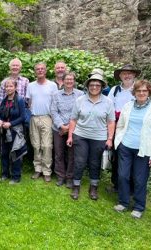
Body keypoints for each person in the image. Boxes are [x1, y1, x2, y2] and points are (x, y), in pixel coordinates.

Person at [113, 80, 151, 219]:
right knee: (123, 176)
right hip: (126, 147)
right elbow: (120, 125)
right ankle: (123, 202)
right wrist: (120, 140)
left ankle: (139, 206)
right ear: (134, 92)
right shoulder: (128, 106)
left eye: (144, 91)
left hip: (144, 150)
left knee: (139, 179)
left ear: (149, 93)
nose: (141, 93)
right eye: (139, 91)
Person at [66, 72, 115, 200]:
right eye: (92, 84)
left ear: (102, 86)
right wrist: (70, 136)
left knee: (94, 163)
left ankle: (93, 187)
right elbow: (73, 119)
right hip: (81, 135)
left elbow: (111, 122)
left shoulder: (108, 102)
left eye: (97, 84)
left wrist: (110, 139)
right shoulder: (80, 100)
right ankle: (76, 186)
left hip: (99, 137)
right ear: (88, 86)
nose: (94, 87)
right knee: (79, 162)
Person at [107, 64, 140, 193]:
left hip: (132, 129)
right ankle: (116, 185)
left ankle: (131, 188)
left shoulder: (139, 89)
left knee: (132, 158)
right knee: (116, 157)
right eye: (124, 73)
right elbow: (108, 108)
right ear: (120, 76)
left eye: (129, 73)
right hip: (116, 127)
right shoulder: (115, 90)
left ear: (134, 75)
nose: (127, 75)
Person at [50, 72, 84, 188]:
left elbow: (81, 112)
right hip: (58, 129)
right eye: (67, 79)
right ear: (63, 81)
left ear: (74, 81)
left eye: (71, 79)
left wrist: (69, 127)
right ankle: (60, 176)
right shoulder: (56, 95)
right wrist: (61, 126)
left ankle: (70, 177)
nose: (69, 81)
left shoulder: (80, 94)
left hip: (74, 129)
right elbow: (53, 111)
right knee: (58, 154)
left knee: (72, 155)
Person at [26, 63, 58, 182]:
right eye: (37, 69)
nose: (40, 71)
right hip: (34, 118)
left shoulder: (52, 85)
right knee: (36, 145)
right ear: (35, 72)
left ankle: (47, 171)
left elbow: (55, 103)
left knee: (47, 146)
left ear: (46, 71)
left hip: (47, 118)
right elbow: (29, 102)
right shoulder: (30, 86)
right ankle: (38, 169)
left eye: (42, 69)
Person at [0, 79, 27, 184]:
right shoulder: (4, 100)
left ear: (15, 87)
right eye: (7, 86)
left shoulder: (20, 100)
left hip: (15, 131)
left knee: (15, 153)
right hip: (4, 130)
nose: (8, 88)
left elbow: (23, 117)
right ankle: (5, 174)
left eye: (11, 86)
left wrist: (11, 124)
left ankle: (16, 176)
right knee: (4, 153)